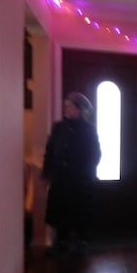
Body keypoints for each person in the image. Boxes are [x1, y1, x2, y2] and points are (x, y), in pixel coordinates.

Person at [43, 92, 101, 255]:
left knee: (81, 210)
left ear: (79, 109)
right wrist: (48, 171)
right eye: (65, 106)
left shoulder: (89, 129)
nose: (65, 109)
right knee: (60, 210)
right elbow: (51, 149)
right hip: (61, 177)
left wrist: (85, 171)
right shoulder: (58, 127)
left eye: (69, 106)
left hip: (81, 178)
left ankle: (83, 241)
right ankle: (61, 241)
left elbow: (96, 153)